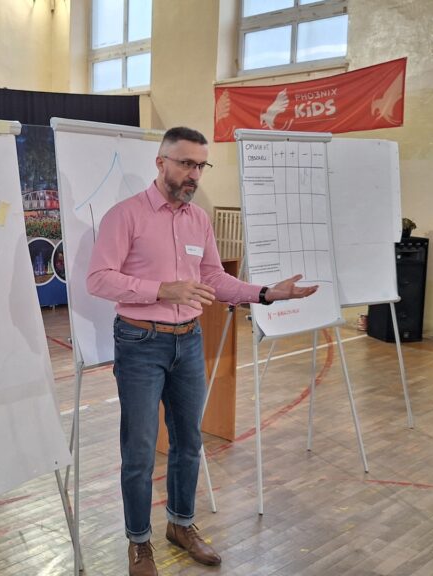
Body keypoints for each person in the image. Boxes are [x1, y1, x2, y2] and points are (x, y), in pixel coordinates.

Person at [87, 127, 318, 576]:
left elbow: (213, 278)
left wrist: (267, 293)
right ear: (161, 163)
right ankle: (139, 543)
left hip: (189, 341)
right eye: (186, 163)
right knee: (139, 450)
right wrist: (163, 289)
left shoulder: (198, 220)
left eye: (200, 166)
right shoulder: (126, 215)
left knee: (189, 442)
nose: (194, 174)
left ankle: (181, 524)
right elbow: (98, 278)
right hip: (139, 343)